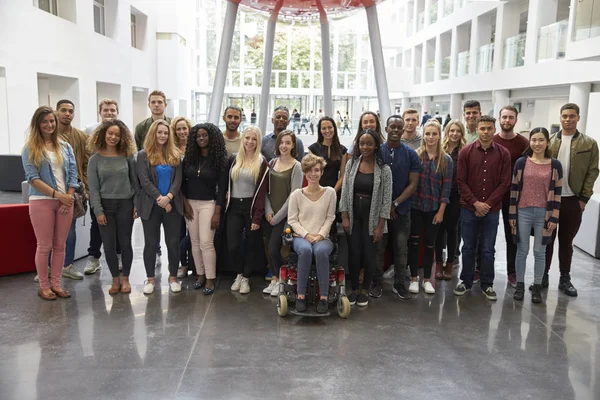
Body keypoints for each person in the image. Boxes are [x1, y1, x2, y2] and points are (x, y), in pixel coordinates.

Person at [22, 106, 77, 300]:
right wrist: (57, 195)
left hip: (65, 202)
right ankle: (44, 286)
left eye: (52, 121)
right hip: (42, 201)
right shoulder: (30, 148)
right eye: (44, 121)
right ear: (37, 124)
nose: (49, 125)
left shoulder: (65, 146)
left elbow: (73, 175)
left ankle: (56, 284)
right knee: (44, 246)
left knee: (60, 246)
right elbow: (32, 178)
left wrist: (68, 198)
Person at [454, 115, 511, 301]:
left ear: (494, 130)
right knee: (468, 247)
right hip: (469, 209)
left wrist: (487, 204)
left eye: (489, 128)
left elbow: (504, 183)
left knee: (488, 249)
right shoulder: (466, 152)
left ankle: (487, 284)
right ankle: (466, 281)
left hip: (492, 210)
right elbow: (461, 181)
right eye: (482, 128)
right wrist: (475, 203)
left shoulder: (503, 154)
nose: (486, 132)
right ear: (476, 130)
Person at [545, 103, 599, 296]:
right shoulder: (550, 141)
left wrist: (584, 198)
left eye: (572, 116)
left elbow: (593, 171)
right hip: (550, 200)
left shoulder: (589, 143)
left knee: (566, 241)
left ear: (578, 118)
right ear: (560, 118)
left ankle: (564, 278)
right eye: (565, 116)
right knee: (547, 240)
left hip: (573, 200)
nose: (568, 119)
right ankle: (543, 275)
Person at [509, 127, 562, 304]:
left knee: (540, 251)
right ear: (529, 141)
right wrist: (512, 216)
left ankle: (537, 286)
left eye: (541, 140)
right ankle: (520, 285)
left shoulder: (555, 165)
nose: (537, 143)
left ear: (547, 142)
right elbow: (514, 191)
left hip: (544, 214)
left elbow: (557, 193)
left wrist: (554, 217)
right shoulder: (521, 163)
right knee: (522, 250)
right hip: (522, 211)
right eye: (534, 140)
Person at [340, 129, 392, 307]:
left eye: (369, 143)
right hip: (354, 215)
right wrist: (345, 216)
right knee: (354, 253)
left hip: (372, 218)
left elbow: (386, 201)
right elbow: (345, 192)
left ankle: (365, 290)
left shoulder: (384, 170)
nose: (365, 147)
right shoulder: (352, 164)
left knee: (369, 255)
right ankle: (354, 288)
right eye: (362, 144)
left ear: (376, 145)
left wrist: (380, 226)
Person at [87, 120, 139, 295]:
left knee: (125, 244)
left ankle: (126, 279)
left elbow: (135, 182)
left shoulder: (128, 156)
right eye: (110, 133)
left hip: (125, 204)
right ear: (103, 134)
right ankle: (115, 280)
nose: (113, 137)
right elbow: (93, 189)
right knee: (108, 246)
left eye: (117, 135)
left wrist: (136, 204)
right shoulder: (94, 160)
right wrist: (98, 211)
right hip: (105, 206)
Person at [136, 120, 183, 294]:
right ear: (153, 134)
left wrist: (168, 198)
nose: (162, 135)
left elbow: (178, 180)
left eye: (165, 133)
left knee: (173, 243)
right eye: (159, 132)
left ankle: (173, 278)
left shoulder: (175, 154)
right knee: (150, 243)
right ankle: (150, 279)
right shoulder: (143, 155)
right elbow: (144, 180)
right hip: (151, 205)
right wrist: (160, 199)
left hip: (172, 206)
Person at [182, 123, 228, 295]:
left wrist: (217, 211)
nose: (201, 138)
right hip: (190, 204)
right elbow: (182, 184)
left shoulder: (219, 159)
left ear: (212, 137)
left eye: (205, 135)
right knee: (194, 242)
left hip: (209, 204)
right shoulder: (189, 158)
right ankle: (199, 275)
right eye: (198, 136)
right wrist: (185, 203)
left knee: (206, 242)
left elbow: (222, 188)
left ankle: (210, 278)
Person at [287, 154, 337, 313]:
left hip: (323, 237)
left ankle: (323, 297)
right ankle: (300, 296)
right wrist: (307, 235)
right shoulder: (296, 194)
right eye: (309, 170)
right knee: (306, 250)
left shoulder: (330, 193)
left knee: (321, 251)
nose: (313, 174)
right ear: (304, 172)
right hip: (301, 237)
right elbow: (292, 220)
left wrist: (320, 235)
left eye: (317, 170)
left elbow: (330, 218)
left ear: (322, 172)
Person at [379, 115, 421, 299]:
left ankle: (399, 284)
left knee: (401, 247)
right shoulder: (377, 151)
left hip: (402, 210)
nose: (395, 130)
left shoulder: (411, 154)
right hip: (379, 211)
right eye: (392, 127)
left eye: (399, 127)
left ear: (403, 130)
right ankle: (375, 283)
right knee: (378, 248)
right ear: (386, 129)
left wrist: (395, 204)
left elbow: (413, 184)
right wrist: (385, 206)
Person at [408, 120, 452, 295]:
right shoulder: (416, 156)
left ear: (440, 135)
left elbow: (446, 188)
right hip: (416, 206)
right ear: (423, 135)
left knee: (430, 244)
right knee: (414, 242)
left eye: (434, 134)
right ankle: (413, 278)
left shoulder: (446, 159)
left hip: (434, 209)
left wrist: (441, 211)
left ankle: (427, 278)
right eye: (427, 134)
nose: (431, 137)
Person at [227, 126, 269, 294]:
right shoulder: (233, 159)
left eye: (254, 139)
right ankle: (238, 272)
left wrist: (258, 217)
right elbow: (227, 182)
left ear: (258, 142)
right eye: (247, 138)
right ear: (242, 139)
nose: (250, 142)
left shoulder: (262, 161)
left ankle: (246, 277)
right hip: (234, 206)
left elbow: (262, 192)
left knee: (252, 245)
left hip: (251, 207)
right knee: (233, 245)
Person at [263, 131, 303, 296]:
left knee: (275, 249)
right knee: (268, 249)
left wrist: (278, 216)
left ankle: (281, 278)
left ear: (293, 145)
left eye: (288, 143)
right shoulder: (272, 163)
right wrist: (268, 211)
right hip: (270, 215)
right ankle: (274, 279)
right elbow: (265, 191)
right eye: (281, 142)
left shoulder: (297, 166)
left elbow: (294, 195)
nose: (284, 146)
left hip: (284, 216)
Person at [493, 105, 529, 287]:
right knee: (486, 236)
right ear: (499, 119)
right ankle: (480, 270)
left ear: (516, 120)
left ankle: (512, 272)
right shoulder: (491, 140)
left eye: (511, 117)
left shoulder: (523, 143)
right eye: (504, 117)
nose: (507, 120)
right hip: (492, 195)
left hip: (514, 197)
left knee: (512, 236)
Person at [83, 98, 120, 275]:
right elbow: (85, 160)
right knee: (96, 223)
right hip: (97, 187)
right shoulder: (89, 131)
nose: (109, 113)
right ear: (100, 112)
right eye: (106, 110)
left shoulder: (121, 131)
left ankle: (119, 255)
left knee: (119, 226)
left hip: (118, 189)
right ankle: (94, 258)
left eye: (112, 110)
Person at [54, 99, 90, 281]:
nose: (67, 114)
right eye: (63, 110)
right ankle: (48, 269)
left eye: (70, 111)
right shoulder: (48, 135)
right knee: (48, 231)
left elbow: (87, 162)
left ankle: (67, 265)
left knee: (70, 229)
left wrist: (86, 186)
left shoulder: (81, 136)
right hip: (50, 190)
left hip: (73, 190)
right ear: (57, 112)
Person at [135, 90, 170, 263]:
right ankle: (155, 251)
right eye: (153, 102)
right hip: (149, 182)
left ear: (165, 104)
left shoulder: (171, 124)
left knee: (173, 232)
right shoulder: (141, 127)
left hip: (169, 180)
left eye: (160, 102)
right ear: (149, 104)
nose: (157, 105)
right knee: (151, 230)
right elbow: (138, 154)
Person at [435, 119, 466, 280]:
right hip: (439, 195)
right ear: (447, 132)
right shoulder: (440, 149)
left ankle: (450, 263)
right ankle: (438, 263)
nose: (454, 134)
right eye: (452, 130)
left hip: (456, 196)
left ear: (462, 133)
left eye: (458, 131)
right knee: (439, 231)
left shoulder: (465, 151)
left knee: (452, 230)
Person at [170, 116, 193, 278]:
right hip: (177, 195)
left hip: (195, 194)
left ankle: (193, 264)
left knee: (193, 233)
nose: (182, 132)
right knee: (178, 232)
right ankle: (183, 265)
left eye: (184, 128)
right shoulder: (171, 149)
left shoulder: (195, 147)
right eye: (178, 129)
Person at [308, 116, 348, 193]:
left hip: (335, 191)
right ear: (320, 131)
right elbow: (310, 174)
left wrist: (333, 192)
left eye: (330, 127)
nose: (327, 131)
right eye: (324, 128)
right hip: (316, 191)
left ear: (334, 129)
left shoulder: (342, 150)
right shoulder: (313, 149)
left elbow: (343, 176)